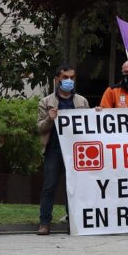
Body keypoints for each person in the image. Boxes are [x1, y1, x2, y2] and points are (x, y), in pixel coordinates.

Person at [35, 65, 89, 235]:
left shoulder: (82, 101)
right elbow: (40, 128)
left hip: (75, 151)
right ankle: (44, 223)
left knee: (73, 188)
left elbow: (89, 125)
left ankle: (73, 223)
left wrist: (97, 113)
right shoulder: (46, 102)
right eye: (65, 77)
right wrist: (49, 119)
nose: (69, 81)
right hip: (54, 150)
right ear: (57, 79)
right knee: (49, 186)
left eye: (72, 77)